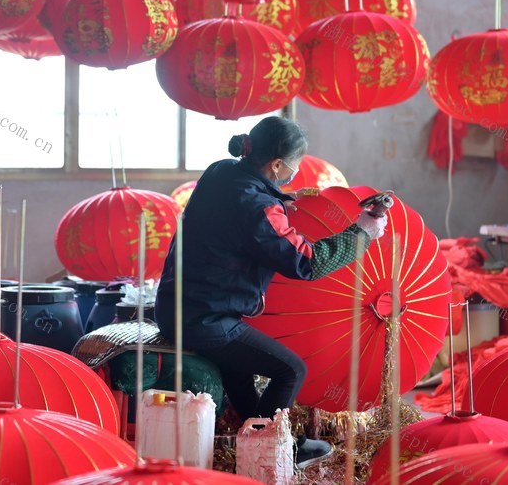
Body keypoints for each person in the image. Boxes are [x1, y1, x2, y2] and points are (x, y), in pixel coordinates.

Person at [155, 116, 387, 468]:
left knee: (241, 375)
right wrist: (363, 233)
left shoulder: (221, 171)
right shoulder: (259, 208)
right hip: (206, 318)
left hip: (176, 305)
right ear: (277, 164)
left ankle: (262, 441)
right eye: (293, 167)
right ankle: (270, 454)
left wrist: (279, 199)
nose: (294, 173)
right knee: (290, 370)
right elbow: (305, 262)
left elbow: (241, 208)